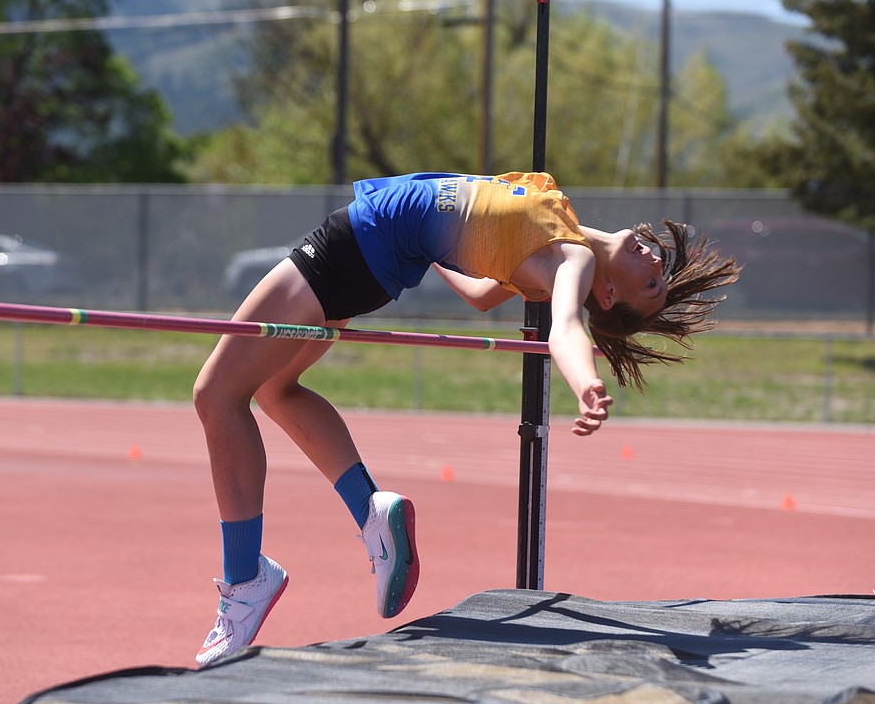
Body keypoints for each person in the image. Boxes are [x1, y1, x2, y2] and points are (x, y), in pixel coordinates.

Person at [191, 172, 739, 666]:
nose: (655, 262)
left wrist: (584, 382)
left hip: (358, 244)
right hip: (377, 255)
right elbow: (480, 294)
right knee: (274, 388)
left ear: (610, 293)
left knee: (216, 396)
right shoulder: (556, 223)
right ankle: (371, 514)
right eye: (660, 274)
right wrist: (429, 248)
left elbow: (565, 326)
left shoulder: (575, 263)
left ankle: (246, 579)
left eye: (651, 284)